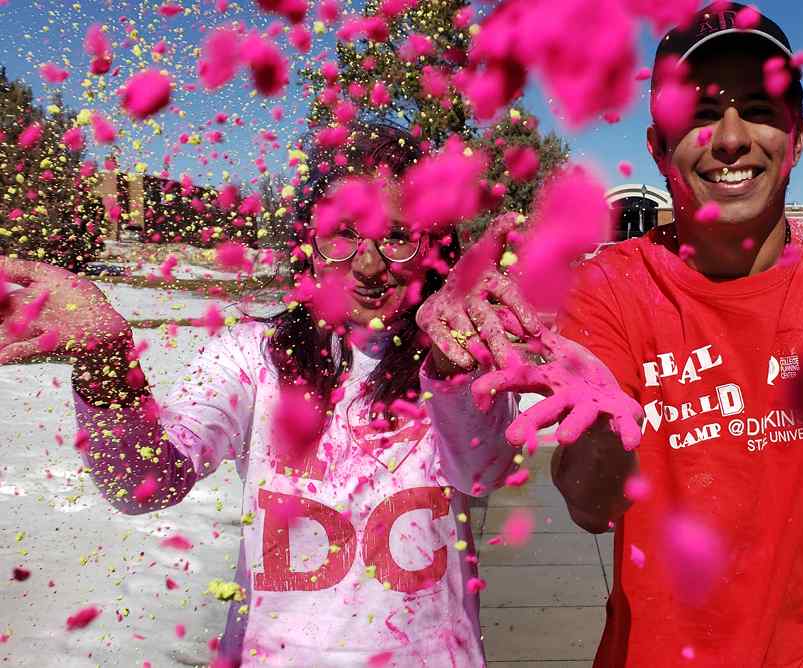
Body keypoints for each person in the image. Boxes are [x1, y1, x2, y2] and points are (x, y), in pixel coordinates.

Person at [425, 4, 803, 667]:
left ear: (797, 134)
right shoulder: (613, 287)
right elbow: (590, 507)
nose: (731, 137)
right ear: (658, 147)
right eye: (699, 114)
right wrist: (610, 431)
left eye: (758, 107)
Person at [0, 124, 529, 667]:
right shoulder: (252, 356)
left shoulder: (457, 356)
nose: (369, 265)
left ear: (436, 248)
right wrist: (106, 367)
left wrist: (450, 369)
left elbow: (485, 474)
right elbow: (143, 485)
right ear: (308, 242)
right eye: (342, 234)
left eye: (397, 237)